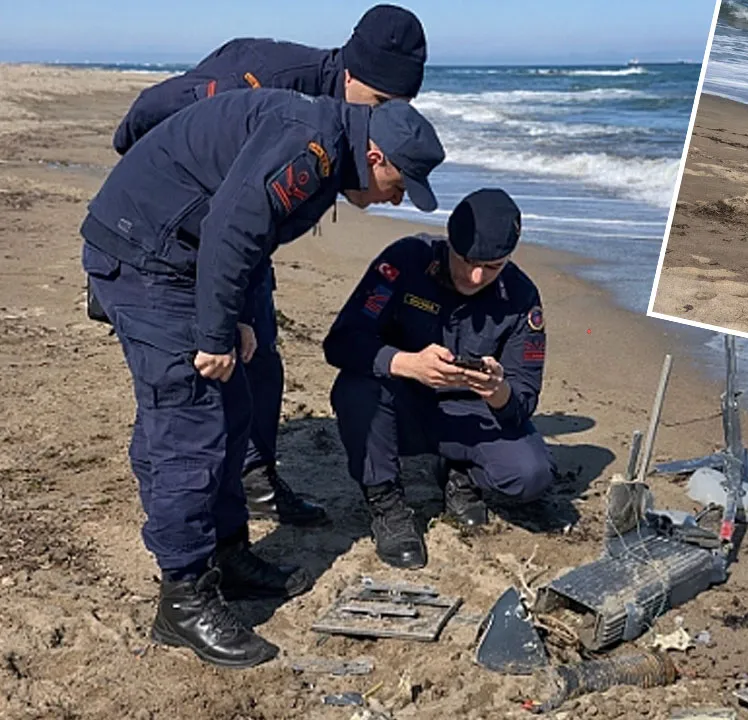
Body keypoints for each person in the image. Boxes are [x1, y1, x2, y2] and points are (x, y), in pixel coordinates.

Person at [81, 88, 445, 668]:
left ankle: (227, 554)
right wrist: (213, 334)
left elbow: (254, 238)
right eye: (399, 187)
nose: (393, 200)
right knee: (188, 424)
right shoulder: (311, 147)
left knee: (233, 410)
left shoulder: (325, 144)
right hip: (144, 256)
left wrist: (243, 317)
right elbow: (231, 226)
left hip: (180, 256)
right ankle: (183, 596)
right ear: (375, 158)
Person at [106, 4, 428, 527]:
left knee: (259, 351)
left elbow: (255, 223)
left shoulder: (348, 127)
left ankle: (255, 479)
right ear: (350, 75)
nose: (383, 119)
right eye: (379, 103)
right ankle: (186, 487)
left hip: (241, 233)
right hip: (171, 235)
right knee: (185, 368)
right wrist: (136, 226)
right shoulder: (258, 79)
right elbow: (152, 114)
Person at [323, 189, 554, 570]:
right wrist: (406, 363)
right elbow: (341, 343)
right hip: (401, 406)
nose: (476, 276)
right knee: (356, 388)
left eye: (493, 266)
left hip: (469, 414)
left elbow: (524, 400)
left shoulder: (521, 296)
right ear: (449, 241)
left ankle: (461, 475)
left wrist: (498, 390)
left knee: (530, 475)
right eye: (467, 261)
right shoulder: (405, 262)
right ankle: (386, 504)